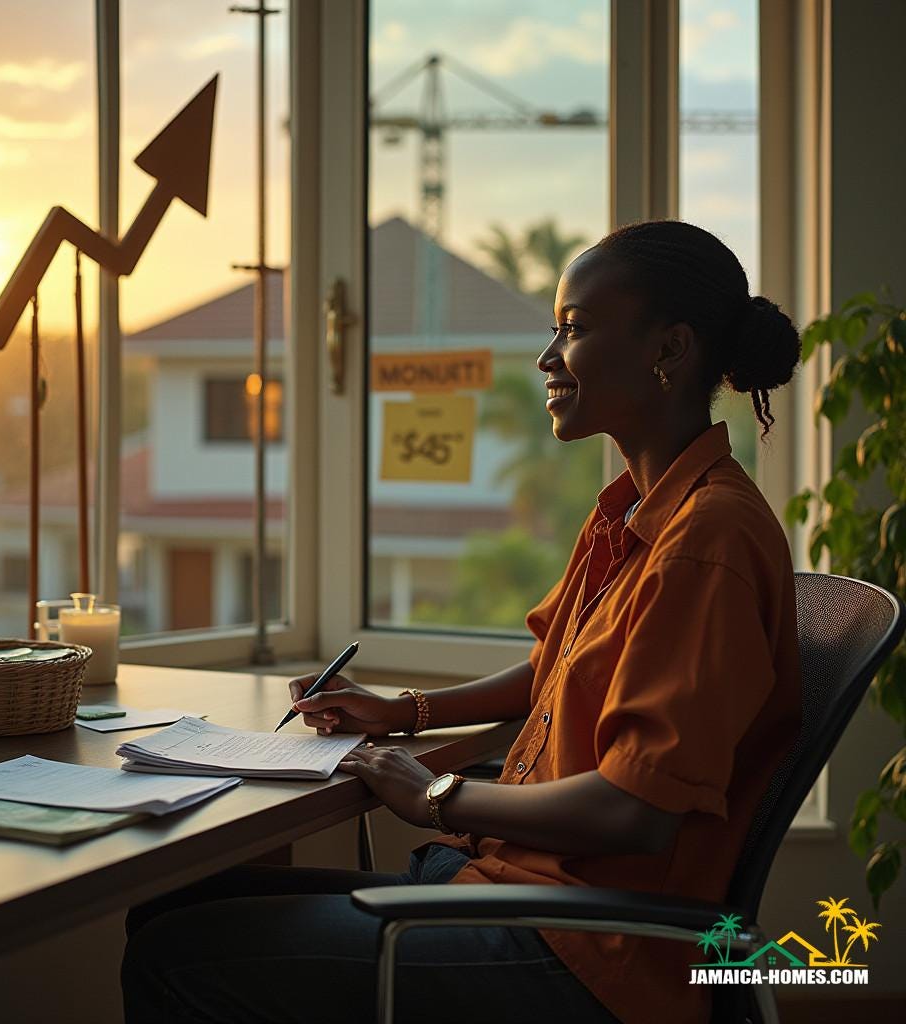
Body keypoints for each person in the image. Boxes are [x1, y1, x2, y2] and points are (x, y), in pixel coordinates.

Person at [121, 220, 803, 1024]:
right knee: (165, 912)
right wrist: (405, 712)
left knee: (180, 955)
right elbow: (551, 672)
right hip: (503, 881)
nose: (549, 357)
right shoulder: (633, 514)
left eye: (576, 329)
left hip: (583, 948)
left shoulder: (705, 541)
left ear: (670, 348)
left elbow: (635, 813)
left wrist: (437, 793)